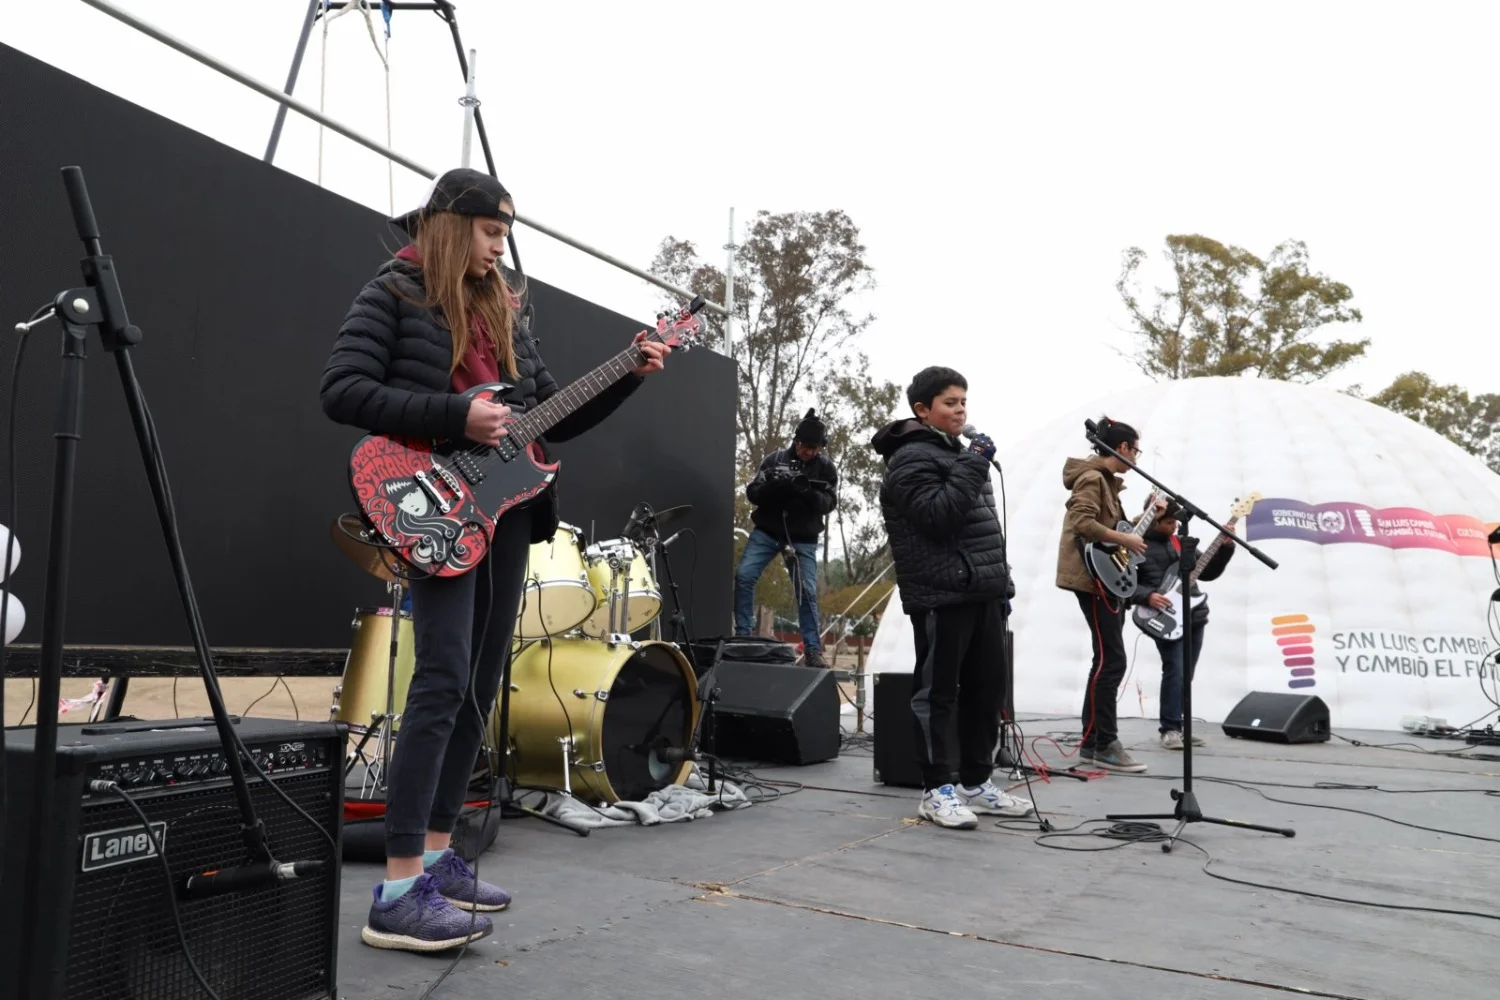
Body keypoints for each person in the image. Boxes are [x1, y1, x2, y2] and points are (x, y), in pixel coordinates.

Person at [321, 168, 670, 952]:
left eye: (505, 232)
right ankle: (398, 889)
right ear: (449, 225)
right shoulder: (395, 293)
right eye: (490, 231)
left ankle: (440, 860)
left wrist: (628, 374)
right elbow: (342, 390)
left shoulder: (505, 307)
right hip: (433, 500)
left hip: (504, 512)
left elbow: (552, 415)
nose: (501, 245)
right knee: (440, 678)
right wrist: (458, 415)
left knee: (477, 687)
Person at [871, 367, 1030, 830]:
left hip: (982, 593)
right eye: (950, 403)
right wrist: (975, 461)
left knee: (987, 691)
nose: (961, 410)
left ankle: (976, 783)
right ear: (923, 410)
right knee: (938, 694)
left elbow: (980, 529)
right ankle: (936, 789)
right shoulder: (910, 459)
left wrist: (1002, 585)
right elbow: (939, 516)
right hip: (941, 596)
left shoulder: (959, 456)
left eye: (964, 401)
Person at [1055, 415, 1162, 774]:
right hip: (1092, 579)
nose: (1138, 457)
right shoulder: (1090, 477)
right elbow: (1081, 523)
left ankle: (1093, 741)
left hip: (1102, 577)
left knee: (1105, 658)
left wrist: (1147, 517)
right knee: (1111, 659)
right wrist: (1125, 539)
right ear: (1123, 449)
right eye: (1136, 450)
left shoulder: (1105, 482)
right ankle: (1105, 743)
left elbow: (1115, 528)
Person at [734, 409, 838, 667]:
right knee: (744, 576)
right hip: (768, 531)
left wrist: (807, 494)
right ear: (796, 441)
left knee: (807, 592)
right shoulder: (774, 459)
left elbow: (829, 503)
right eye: (806, 447)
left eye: (815, 448)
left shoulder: (825, 468)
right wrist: (779, 487)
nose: (809, 452)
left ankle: (813, 649)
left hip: (803, 537)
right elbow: (753, 492)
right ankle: (743, 636)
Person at [1131, 498, 1234, 749]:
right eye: (1168, 522)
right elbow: (1124, 584)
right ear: (1154, 521)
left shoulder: (1179, 542)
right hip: (1163, 617)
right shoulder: (1137, 545)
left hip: (1194, 616)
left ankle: (1180, 726)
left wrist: (1225, 547)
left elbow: (1206, 572)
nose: (1175, 527)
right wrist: (1147, 595)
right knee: (1175, 669)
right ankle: (1170, 729)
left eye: (1176, 522)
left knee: (1186, 673)